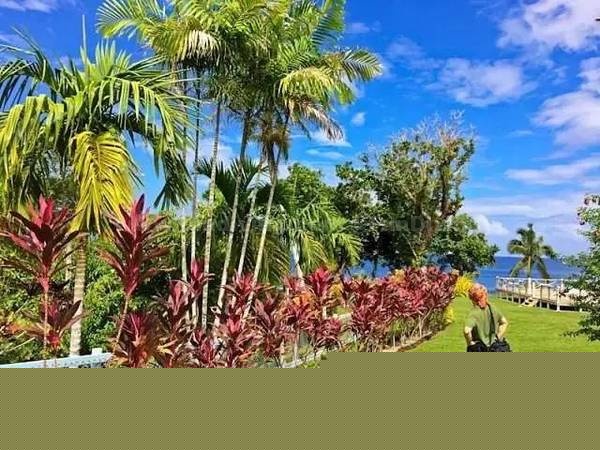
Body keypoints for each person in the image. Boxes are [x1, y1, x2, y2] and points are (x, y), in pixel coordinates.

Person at [464, 284, 509, 352]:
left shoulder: (474, 313)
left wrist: (470, 343)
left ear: (471, 298)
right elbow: (504, 322)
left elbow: (466, 331)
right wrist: (497, 337)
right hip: (493, 348)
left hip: (479, 349)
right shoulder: (492, 308)